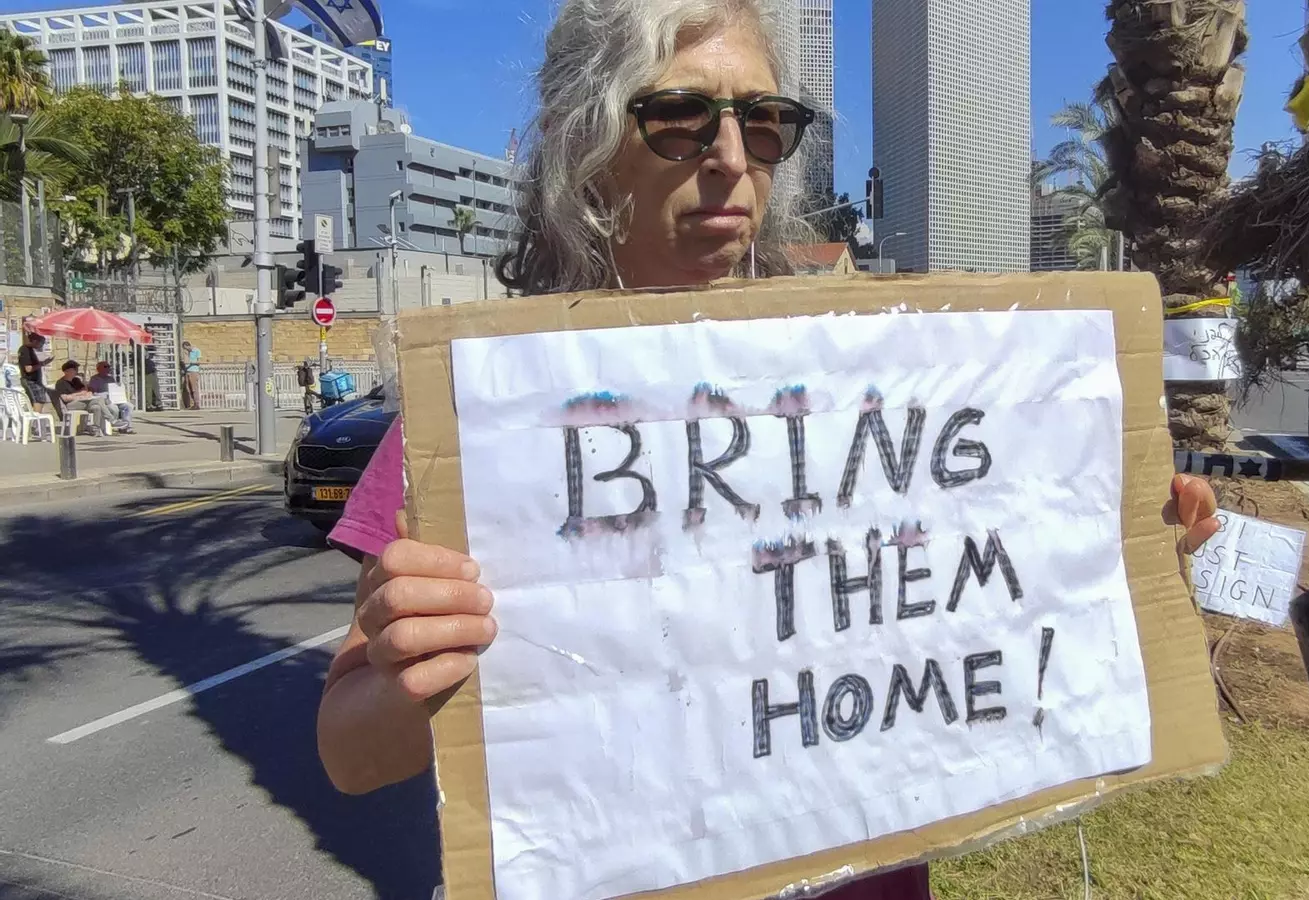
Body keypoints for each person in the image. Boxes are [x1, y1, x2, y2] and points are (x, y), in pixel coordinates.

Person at [316, 3, 1217, 899]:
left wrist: (1109, 552)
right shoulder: (483, 420)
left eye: (764, 122)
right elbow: (351, 758)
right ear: (580, 140)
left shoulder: (876, 377)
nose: (731, 157)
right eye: (679, 116)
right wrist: (407, 671)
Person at [52, 361, 113, 436]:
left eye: (77, 369)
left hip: (83, 402)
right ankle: (111, 419)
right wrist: (79, 395)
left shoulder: (76, 380)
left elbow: (85, 391)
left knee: (96, 407)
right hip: (70, 405)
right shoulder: (61, 383)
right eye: (74, 369)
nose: (76, 370)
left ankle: (96, 429)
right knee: (98, 400)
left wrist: (82, 393)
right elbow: (65, 398)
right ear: (66, 371)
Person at [89, 360, 136, 434]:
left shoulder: (110, 378)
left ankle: (126, 427)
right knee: (114, 408)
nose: (107, 368)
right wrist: (104, 396)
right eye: (105, 367)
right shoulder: (94, 379)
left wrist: (118, 386)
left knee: (129, 406)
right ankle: (113, 426)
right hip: (104, 400)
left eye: (108, 367)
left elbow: (114, 389)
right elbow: (93, 393)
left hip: (115, 399)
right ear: (98, 369)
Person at [17, 332, 51, 412]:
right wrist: (43, 363)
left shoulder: (29, 350)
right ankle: (36, 417)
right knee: (39, 400)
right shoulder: (25, 350)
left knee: (38, 400)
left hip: (34, 381)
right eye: (42, 343)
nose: (42, 345)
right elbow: (28, 369)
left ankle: (35, 416)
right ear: (35, 341)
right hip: (31, 381)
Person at [181, 340, 202, 410]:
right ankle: (191, 403)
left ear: (188, 346)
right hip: (187, 371)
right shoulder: (187, 353)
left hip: (194, 371)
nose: (186, 350)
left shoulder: (196, 351)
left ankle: (197, 403)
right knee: (188, 388)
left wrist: (191, 362)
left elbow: (199, 362)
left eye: (186, 348)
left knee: (194, 388)